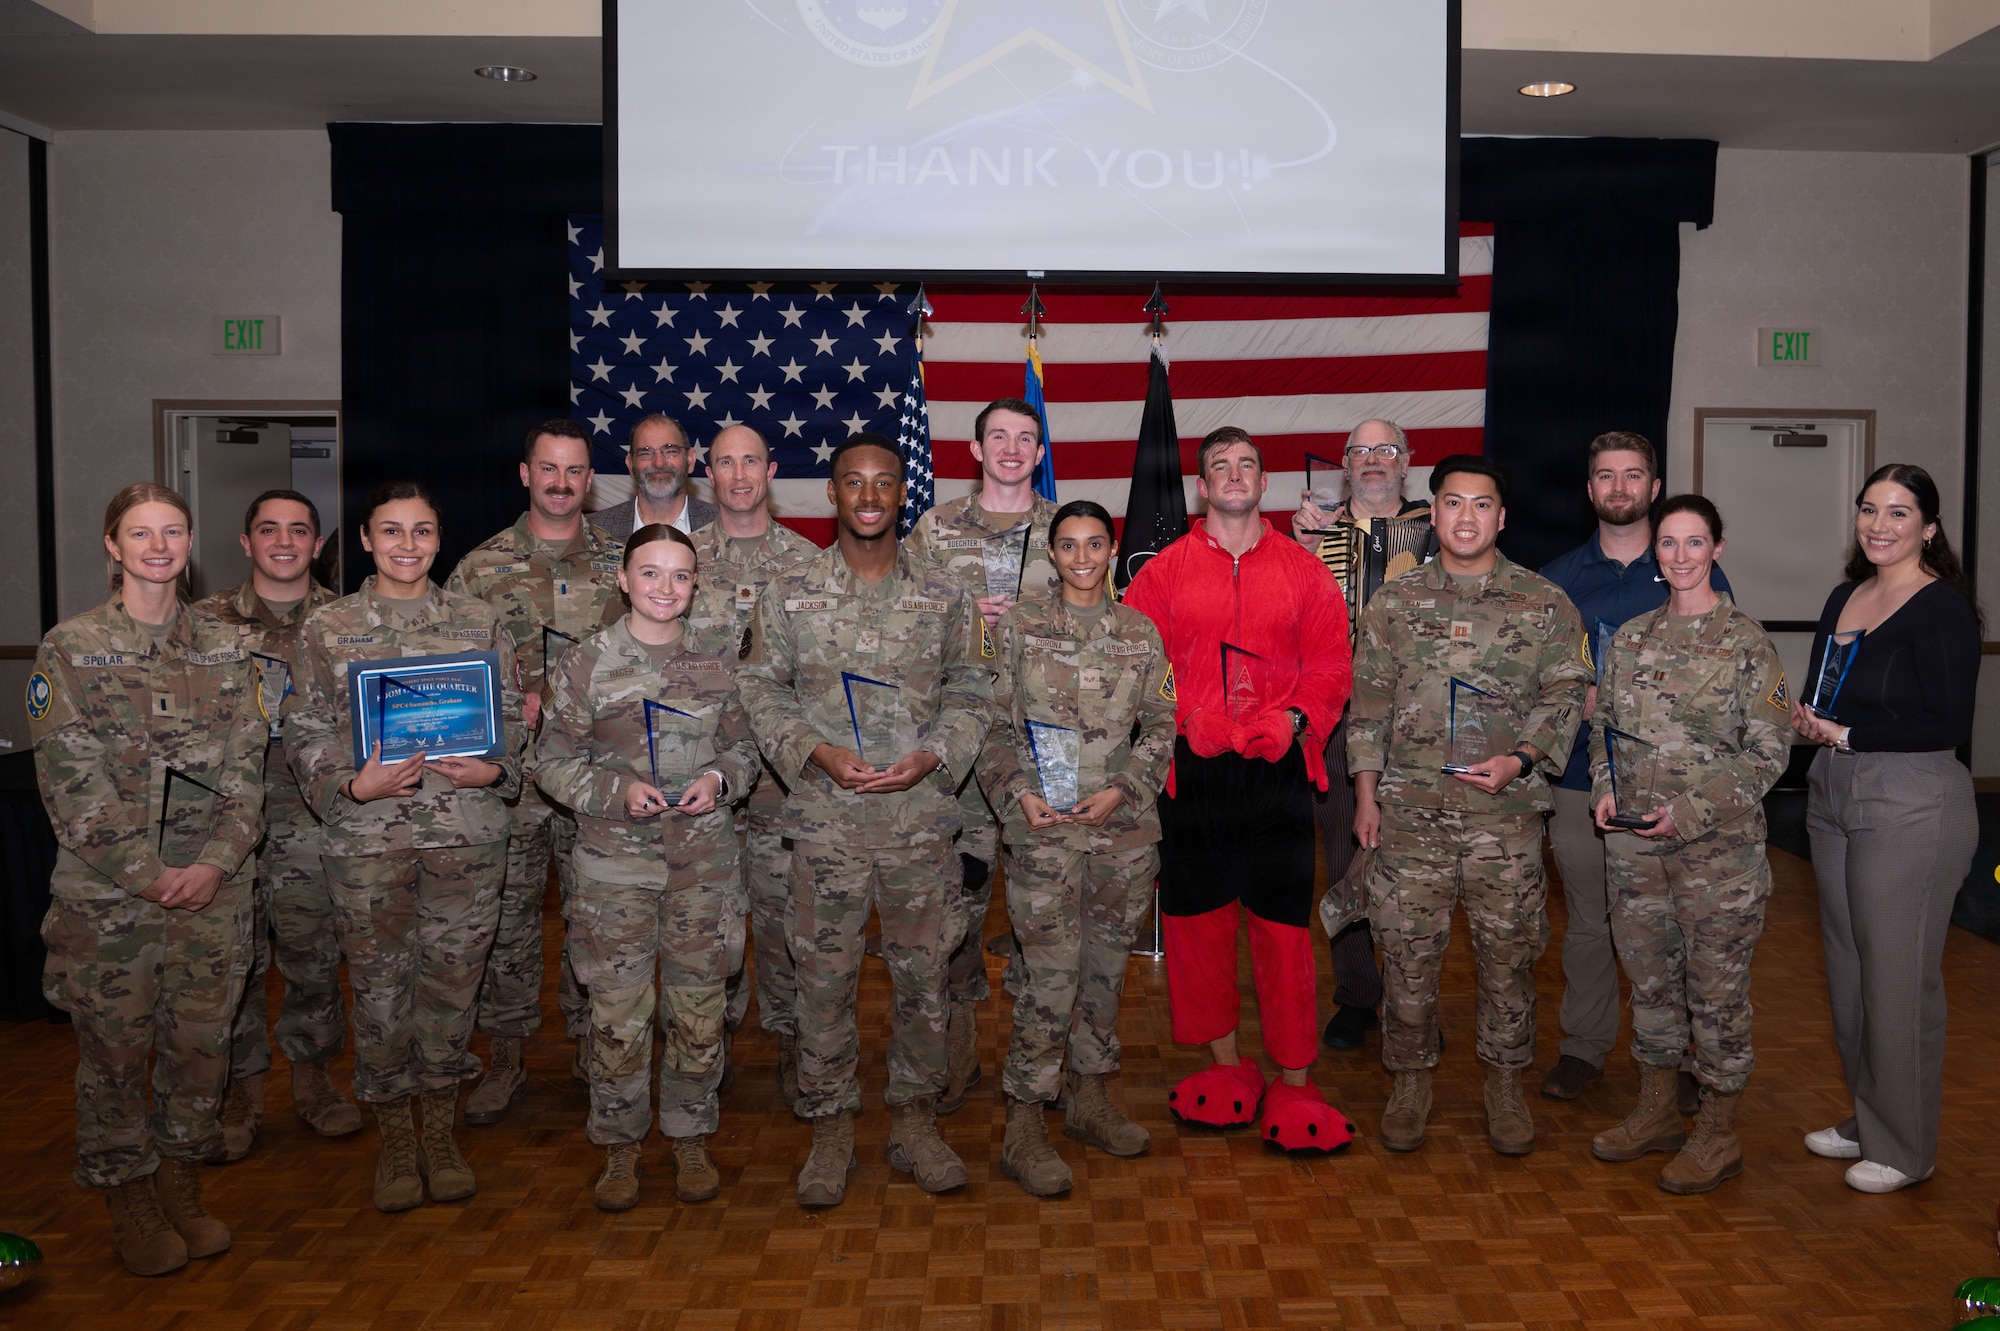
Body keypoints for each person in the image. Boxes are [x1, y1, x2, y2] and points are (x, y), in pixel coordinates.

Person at [737, 432, 992, 1208]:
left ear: (903, 491)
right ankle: (831, 1128)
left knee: (924, 981)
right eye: (855, 481)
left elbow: (973, 689)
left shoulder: (945, 593)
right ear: (833, 492)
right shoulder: (790, 592)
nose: (871, 495)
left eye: (885, 481)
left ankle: (915, 1121)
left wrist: (934, 756)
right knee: (823, 982)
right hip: (828, 823)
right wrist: (814, 751)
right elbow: (760, 689)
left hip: (919, 822)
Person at [30, 482, 266, 1275]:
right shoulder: (70, 648)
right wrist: (152, 875)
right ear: (113, 544)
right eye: (140, 533)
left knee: (202, 1051)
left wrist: (214, 863)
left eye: (172, 532)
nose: (158, 546)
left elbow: (247, 771)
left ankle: (180, 1181)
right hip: (111, 903)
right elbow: (72, 785)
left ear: (190, 542)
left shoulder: (228, 646)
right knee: (116, 1056)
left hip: (213, 895)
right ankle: (128, 1195)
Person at [284, 481, 525, 1213]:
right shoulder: (329, 627)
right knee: (382, 994)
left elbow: (515, 719)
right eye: (391, 530)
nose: (407, 544)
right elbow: (303, 727)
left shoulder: (479, 621)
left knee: (452, 990)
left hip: (466, 836)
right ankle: (395, 1135)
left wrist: (496, 769)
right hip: (368, 841)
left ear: (439, 539)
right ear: (365, 539)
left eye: (422, 530)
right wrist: (348, 785)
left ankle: (441, 1134)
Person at [1123, 426, 1356, 1153]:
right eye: (1219, 465)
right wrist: (1184, 717)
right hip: (1192, 771)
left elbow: (1331, 666)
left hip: (1278, 770)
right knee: (1197, 927)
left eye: (1246, 464)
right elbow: (1135, 664)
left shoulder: (1305, 571)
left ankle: (1294, 1078)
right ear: (1201, 486)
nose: (1233, 474)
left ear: (1263, 482)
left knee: (1283, 934)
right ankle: (1225, 1065)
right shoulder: (1161, 573)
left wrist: (1294, 718)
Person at [1349, 454, 1588, 1157]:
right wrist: (1365, 797)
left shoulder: (1544, 603)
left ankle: (1506, 1083)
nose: (1466, 517)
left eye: (1481, 504)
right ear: (1433, 513)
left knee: (1510, 958)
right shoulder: (1394, 602)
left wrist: (1522, 757)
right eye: (1452, 502)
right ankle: (1409, 1081)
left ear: (1501, 517)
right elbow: (1368, 706)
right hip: (1409, 813)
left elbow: (1567, 692)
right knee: (1407, 958)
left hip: (1504, 816)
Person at [536, 525, 763, 1209]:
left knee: (699, 1009)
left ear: (695, 585)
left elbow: (747, 749)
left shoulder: (719, 659)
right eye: (651, 572)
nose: (665, 587)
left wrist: (719, 782)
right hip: (615, 866)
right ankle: (619, 1144)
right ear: (624, 579)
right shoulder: (585, 662)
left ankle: (691, 1133)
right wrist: (615, 792)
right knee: (617, 1013)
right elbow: (550, 760)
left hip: (703, 865)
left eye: (680, 575)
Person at [1584, 496, 1788, 1194]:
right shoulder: (1631, 637)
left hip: (1716, 857)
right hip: (1634, 850)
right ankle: (1658, 1110)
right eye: (1668, 543)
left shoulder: (1747, 642)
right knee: (1649, 985)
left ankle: (1719, 1131)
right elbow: (1603, 729)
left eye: (1694, 542)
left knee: (1716, 994)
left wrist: (1688, 813)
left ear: (1717, 549)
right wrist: (1605, 786)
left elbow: (1769, 752)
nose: (1680, 556)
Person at [1793, 463, 1981, 1194]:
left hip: (1911, 797)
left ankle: (1906, 1147)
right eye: (1869, 509)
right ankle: (1871, 1118)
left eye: (1899, 512)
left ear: (1928, 528)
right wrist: (1811, 719)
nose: (1879, 524)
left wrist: (1849, 733)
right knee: (1850, 971)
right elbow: (1826, 690)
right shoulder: (1845, 595)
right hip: (1833, 787)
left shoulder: (1942, 609)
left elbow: (1948, 721)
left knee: (1898, 978)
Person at [978, 500, 1175, 1195]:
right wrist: (1018, 795)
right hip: (1044, 831)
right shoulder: (1020, 629)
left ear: (1112, 550)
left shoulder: (1139, 631)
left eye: (1095, 544)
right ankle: (1025, 1118)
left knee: (1105, 970)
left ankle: (1089, 1096)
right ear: (1051, 554)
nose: (1082, 557)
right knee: (1050, 974)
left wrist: (1124, 787)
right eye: (1068, 545)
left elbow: (1161, 722)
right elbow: (991, 725)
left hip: (1121, 831)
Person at [1539, 432, 1733, 1105]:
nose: (1619, 487)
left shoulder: (1687, 566)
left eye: (1632, 475)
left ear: (1653, 486)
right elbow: (1535, 677)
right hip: (1578, 778)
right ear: (1589, 489)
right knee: (1590, 922)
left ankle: (1675, 1059)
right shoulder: (1558, 577)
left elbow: (1723, 675)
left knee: (1671, 925)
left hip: (1675, 787)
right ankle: (1583, 1047)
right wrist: (1578, 696)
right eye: (1605, 475)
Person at [444, 419, 626, 1123]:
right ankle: (507, 1055)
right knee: (508, 920)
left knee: (595, 916)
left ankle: (590, 1045)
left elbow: (648, 656)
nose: (560, 482)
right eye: (548, 468)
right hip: (510, 781)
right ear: (526, 475)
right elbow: (451, 673)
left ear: (590, 480)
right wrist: (505, 703)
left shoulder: (623, 562)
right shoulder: (479, 568)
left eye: (574, 470)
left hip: (594, 776)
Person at [902, 396, 1061, 1111]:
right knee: (955, 905)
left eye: (1025, 438)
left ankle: (1040, 1065)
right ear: (975, 449)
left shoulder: (1066, 529)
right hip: (960, 749)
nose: (1011, 448)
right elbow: (904, 623)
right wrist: (964, 616)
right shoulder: (934, 530)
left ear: (1039, 452)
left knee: (1042, 910)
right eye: (998, 436)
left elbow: (1098, 619)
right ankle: (956, 1055)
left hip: (1041, 747)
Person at [197, 490, 356, 1159]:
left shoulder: (348, 622)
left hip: (310, 813)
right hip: (221, 812)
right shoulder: (202, 622)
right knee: (233, 959)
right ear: (246, 542)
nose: (284, 541)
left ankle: (314, 1079)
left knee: (313, 952)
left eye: (298, 530)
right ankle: (240, 1091)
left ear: (317, 545)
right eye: (269, 529)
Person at [685, 424, 823, 1110]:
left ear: (770, 471)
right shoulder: (678, 559)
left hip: (779, 777)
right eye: (725, 463)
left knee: (783, 914)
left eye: (751, 462)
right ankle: (708, 1046)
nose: (739, 475)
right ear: (707, 472)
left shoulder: (809, 563)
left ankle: (793, 1040)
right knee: (708, 918)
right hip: (700, 769)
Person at [1289, 418, 1438, 1052]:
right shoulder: (1313, 533)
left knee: (1422, 866)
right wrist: (1297, 547)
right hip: (1338, 716)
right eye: (1360, 451)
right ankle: (1357, 994)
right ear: (1344, 466)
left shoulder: (1440, 528)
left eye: (1386, 449)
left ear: (1406, 461)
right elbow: (1285, 618)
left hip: (1420, 722)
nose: (1373, 459)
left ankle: (1415, 1002)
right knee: (1346, 855)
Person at [588, 414, 718, 542]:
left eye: (670, 451)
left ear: (690, 460)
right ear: (630, 465)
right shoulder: (592, 531)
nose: (659, 463)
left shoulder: (721, 525)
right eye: (645, 453)